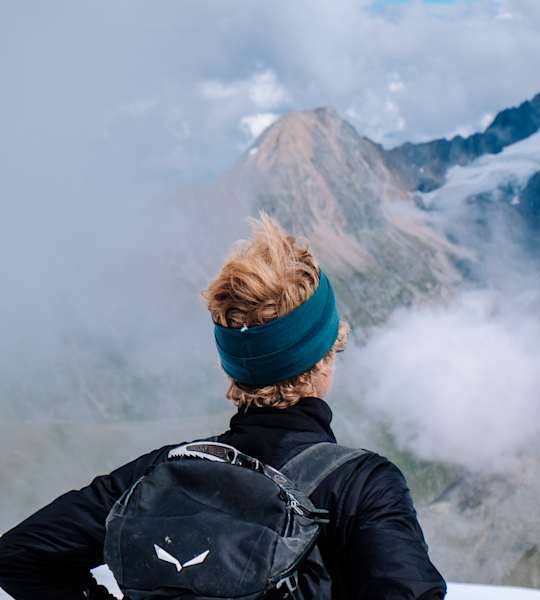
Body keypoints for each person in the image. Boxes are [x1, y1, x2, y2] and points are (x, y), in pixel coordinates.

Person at [0, 214, 447, 600]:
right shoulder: (361, 488)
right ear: (327, 356)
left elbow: (19, 555)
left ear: (233, 369)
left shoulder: (159, 473)